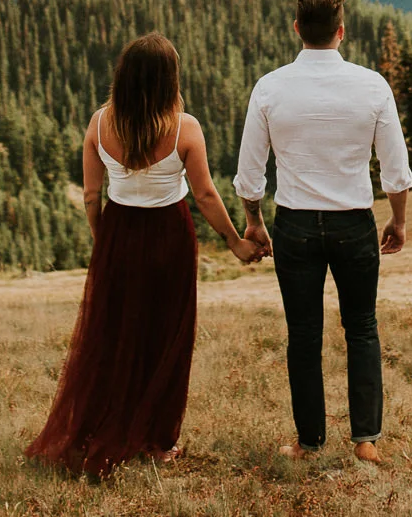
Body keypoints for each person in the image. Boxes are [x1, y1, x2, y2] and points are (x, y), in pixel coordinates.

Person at [27, 32, 262, 476]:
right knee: (166, 337)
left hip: (120, 230)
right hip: (169, 235)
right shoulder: (184, 127)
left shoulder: (99, 124)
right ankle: (156, 441)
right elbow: (206, 195)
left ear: (124, 77)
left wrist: (105, 243)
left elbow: (91, 196)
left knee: (112, 336)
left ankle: (99, 426)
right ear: (168, 79)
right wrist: (235, 241)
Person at [234, 0, 412, 465]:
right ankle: (365, 440)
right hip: (354, 223)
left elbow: (251, 175)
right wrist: (397, 220)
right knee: (362, 328)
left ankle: (309, 441)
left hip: (294, 225)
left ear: (297, 29)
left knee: (304, 333)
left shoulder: (270, 87)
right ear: (341, 31)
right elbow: (395, 171)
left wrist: (254, 222)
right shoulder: (372, 86)